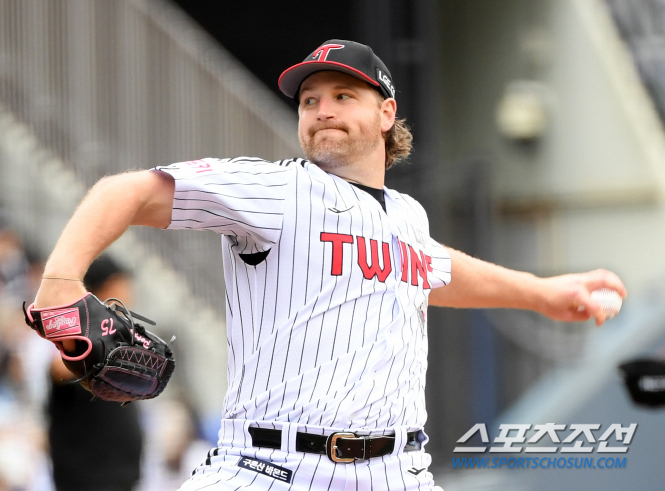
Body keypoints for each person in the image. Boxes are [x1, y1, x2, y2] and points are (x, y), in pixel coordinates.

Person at [31, 40, 626, 491]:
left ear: (387, 112)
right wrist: (61, 282)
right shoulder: (274, 191)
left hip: (399, 471)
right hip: (271, 467)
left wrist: (542, 294)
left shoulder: (408, 216)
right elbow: (127, 191)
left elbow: (438, 270)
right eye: (310, 100)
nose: (322, 109)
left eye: (344, 96)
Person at [47, 256, 143, 491]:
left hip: (118, 475)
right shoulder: (78, 333)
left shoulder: (120, 339)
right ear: (110, 288)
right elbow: (58, 369)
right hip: (87, 477)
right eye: (122, 285)